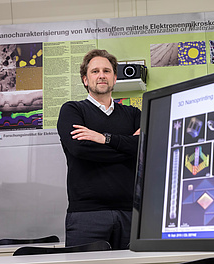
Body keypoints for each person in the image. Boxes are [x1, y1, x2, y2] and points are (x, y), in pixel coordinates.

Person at [57, 49, 141, 250]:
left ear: (114, 77)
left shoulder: (134, 114)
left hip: (131, 213)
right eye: (95, 71)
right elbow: (79, 149)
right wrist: (127, 146)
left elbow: (144, 147)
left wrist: (103, 138)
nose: (101, 75)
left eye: (107, 70)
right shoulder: (72, 110)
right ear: (85, 80)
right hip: (87, 215)